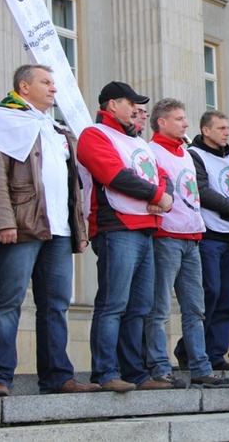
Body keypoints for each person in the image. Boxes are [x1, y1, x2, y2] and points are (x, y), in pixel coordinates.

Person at [0, 64, 99, 397]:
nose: (53, 89)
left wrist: (79, 227)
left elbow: (73, 186)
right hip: (20, 227)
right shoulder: (0, 118)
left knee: (56, 304)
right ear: (24, 86)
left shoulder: (55, 128)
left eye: (54, 83)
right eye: (46, 82)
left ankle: (58, 377)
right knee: (8, 301)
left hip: (58, 230)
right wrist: (3, 221)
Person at [77, 81, 174, 393]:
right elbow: (114, 175)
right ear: (111, 105)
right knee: (113, 304)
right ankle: (105, 373)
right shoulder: (94, 134)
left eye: (138, 104)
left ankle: (135, 373)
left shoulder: (139, 142)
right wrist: (159, 194)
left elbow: (163, 175)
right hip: (115, 228)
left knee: (139, 308)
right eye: (130, 102)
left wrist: (163, 194)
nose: (136, 109)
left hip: (145, 228)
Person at [144, 98, 229, 389]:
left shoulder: (184, 152)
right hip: (166, 237)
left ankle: (200, 367)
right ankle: (159, 367)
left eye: (185, 119)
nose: (186, 124)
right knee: (159, 308)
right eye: (180, 119)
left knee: (196, 309)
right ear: (162, 122)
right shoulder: (151, 150)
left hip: (193, 237)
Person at [175, 110, 229, 372]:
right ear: (206, 130)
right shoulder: (195, 155)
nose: (227, 132)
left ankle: (215, 354)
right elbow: (201, 191)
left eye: (227, 127)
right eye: (221, 128)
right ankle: (188, 350)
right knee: (209, 292)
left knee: (228, 296)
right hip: (210, 235)